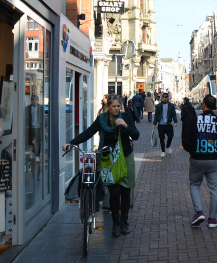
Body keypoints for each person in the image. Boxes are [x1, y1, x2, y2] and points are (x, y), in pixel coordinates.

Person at [63, 95, 139, 237]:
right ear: (108, 107)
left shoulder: (126, 117)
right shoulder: (102, 119)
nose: (117, 109)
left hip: (125, 156)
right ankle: (115, 223)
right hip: (108, 158)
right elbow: (88, 132)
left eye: (118, 106)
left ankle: (124, 222)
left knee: (125, 191)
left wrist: (125, 125)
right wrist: (71, 143)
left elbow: (136, 135)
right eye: (114, 106)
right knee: (115, 192)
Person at [183, 94, 217, 228]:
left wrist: (192, 150)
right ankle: (212, 219)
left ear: (203, 105)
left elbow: (186, 140)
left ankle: (199, 212)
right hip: (214, 160)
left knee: (194, 185)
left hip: (197, 159)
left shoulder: (194, 121)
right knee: (215, 189)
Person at [153, 93, 177, 157]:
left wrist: (175, 121)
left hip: (168, 124)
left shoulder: (171, 105)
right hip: (161, 124)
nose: (164, 98)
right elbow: (156, 115)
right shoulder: (158, 106)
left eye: (166, 97)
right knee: (161, 138)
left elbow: (174, 114)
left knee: (170, 136)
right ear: (162, 98)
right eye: (163, 97)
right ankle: (163, 151)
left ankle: (168, 146)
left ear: (167, 98)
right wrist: (154, 123)